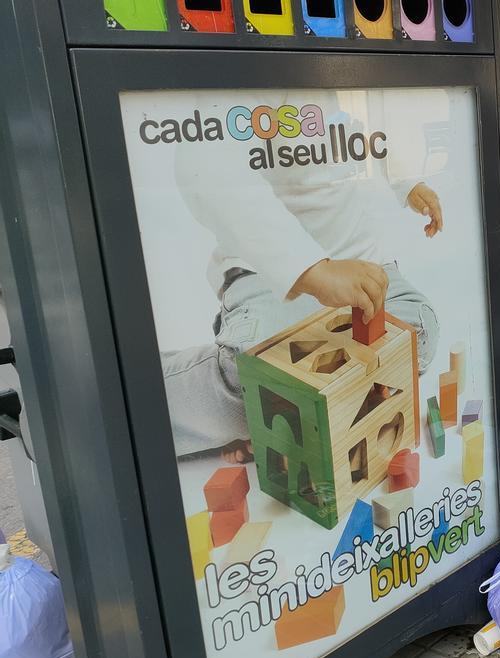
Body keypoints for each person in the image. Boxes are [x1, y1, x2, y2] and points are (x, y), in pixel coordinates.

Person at [159, 92, 445, 462]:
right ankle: (156, 393)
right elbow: (203, 161)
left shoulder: (331, 85)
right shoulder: (245, 83)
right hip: (269, 273)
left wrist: (407, 183)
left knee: (416, 332)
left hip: (355, 258)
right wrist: (312, 270)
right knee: (258, 378)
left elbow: (365, 136)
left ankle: (292, 421)